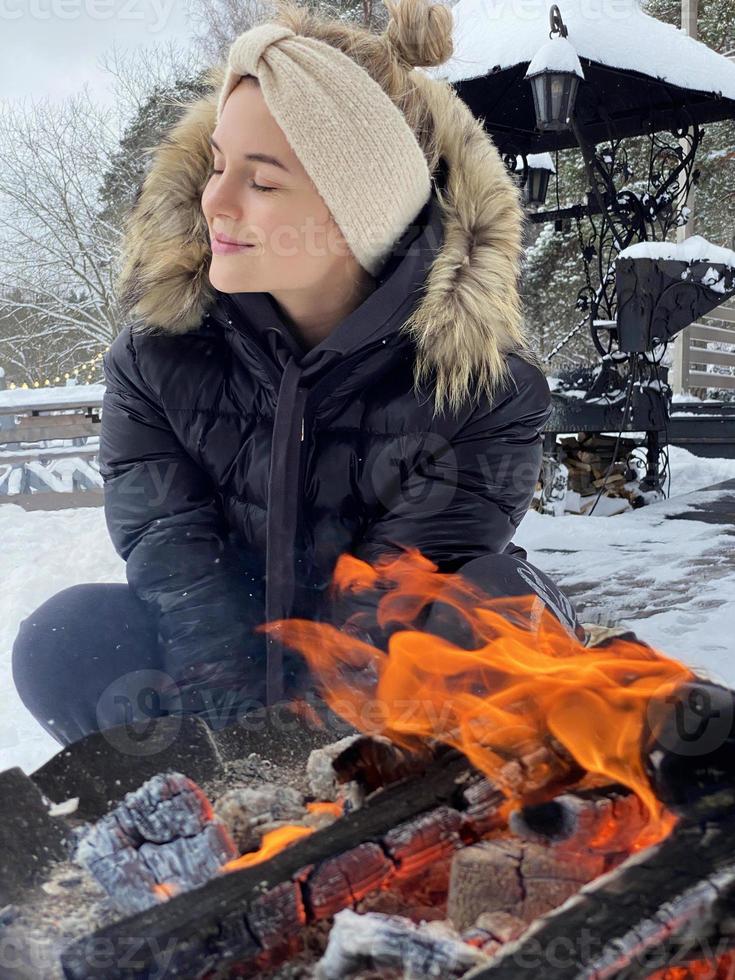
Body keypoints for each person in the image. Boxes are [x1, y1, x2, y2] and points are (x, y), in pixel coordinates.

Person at [12, 0, 587, 748]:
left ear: (359, 217)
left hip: (393, 676)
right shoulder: (158, 356)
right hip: (221, 655)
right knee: (66, 638)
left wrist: (330, 757)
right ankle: (192, 822)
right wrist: (243, 747)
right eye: (217, 165)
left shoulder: (479, 388)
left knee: (493, 608)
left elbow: (396, 591)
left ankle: (429, 814)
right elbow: (173, 553)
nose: (212, 200)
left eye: (263, 181)